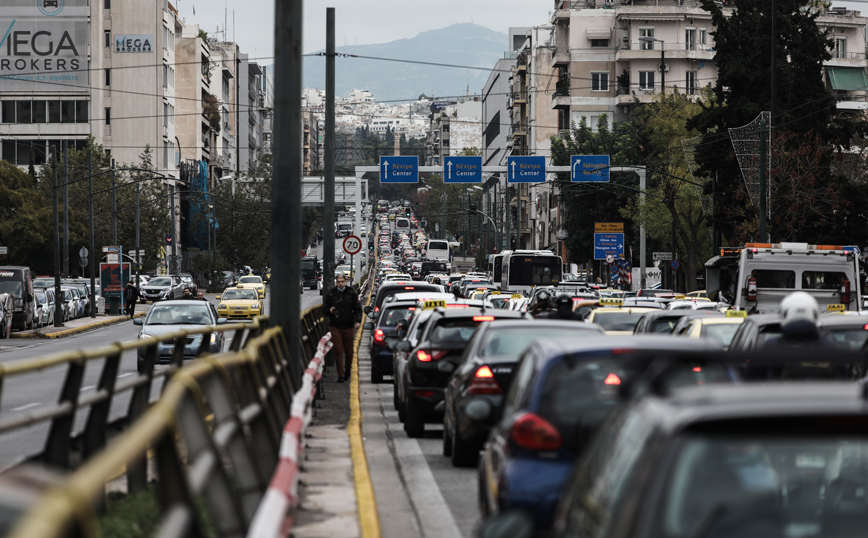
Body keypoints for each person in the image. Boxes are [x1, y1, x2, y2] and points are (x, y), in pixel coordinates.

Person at [323, 272, 362, 382]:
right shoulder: (331, 294)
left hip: (349, 325)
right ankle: (340, 375)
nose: (340, 284)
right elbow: (325, 309)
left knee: (349, 352)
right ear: (336, 282)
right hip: (335, 325)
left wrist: (358, 321)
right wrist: (330, 310)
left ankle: (348, 369)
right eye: (338, 282)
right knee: (338, 351)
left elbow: (357, 308)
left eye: (342, 282)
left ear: (345, 282)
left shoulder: (351, 293)